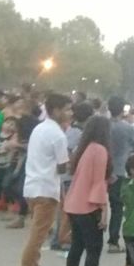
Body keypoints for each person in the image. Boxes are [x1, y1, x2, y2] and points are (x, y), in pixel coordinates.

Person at [14, 93, 72, 266]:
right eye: (67, 109)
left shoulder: (39, 128)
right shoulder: (58, 135)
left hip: (32, 186)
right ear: (56, 110)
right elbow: (62, 167)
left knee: (38, 232)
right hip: (46, 189)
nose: (70, 113)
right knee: (38, 235)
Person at [63, 115, 111, 266]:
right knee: (94, 250)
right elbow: (98, 182)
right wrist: (103, 210)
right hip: (89, 206)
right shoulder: (100, 150)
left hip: (74, 203)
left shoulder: (83, 149)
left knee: (76, 248)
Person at [50, 100, 94, 250]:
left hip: (67, 175)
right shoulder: (77, 133)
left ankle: (58, 238)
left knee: (64, 209)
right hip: (70, 175)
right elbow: (69, 153)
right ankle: (62, 239)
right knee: (68, 210)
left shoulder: (72, 131)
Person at [107, 95, 134, 253]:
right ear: (123, 110)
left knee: (96, 205)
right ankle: (113, 241)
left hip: (101, 169)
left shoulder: (102, 125)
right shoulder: (127, 127)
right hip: (119, 169)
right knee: (117, 207)